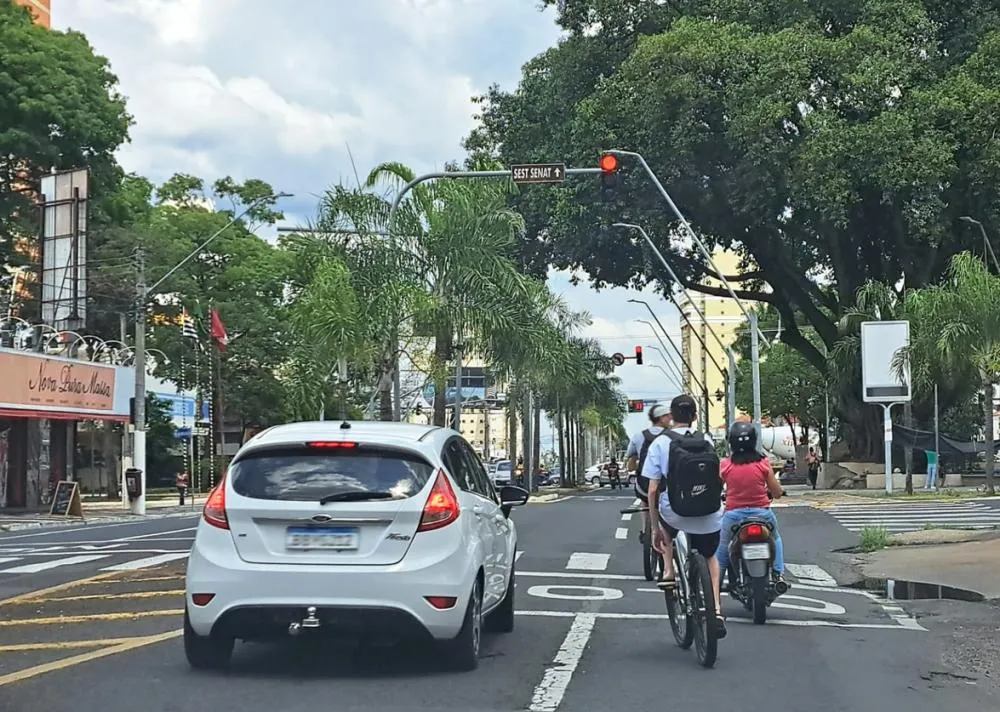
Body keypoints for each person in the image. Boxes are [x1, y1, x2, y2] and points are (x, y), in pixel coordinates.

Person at [642, 394, 726, 638]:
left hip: (676, 512)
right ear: (695, 416)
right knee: (710, 557)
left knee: (666, 528)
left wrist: (655, 526)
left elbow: (653, 489)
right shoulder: (707, 439)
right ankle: (717, 610)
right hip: (709, 513)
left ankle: (669, 570)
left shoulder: (660, 443)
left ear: (672, 417)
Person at [715, 421, 786, 587]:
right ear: (754, 440)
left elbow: (715, 489)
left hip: (733, 516)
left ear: (731, 442)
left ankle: (715, 585)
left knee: (723, 546)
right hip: (762, 515)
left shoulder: (725, 465)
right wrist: (776, 493)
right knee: (775, 538)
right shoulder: (763, 463)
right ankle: (778, 574)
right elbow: (776, 492)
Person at [626, 404, 672, 544]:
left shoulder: (638, 436)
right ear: (662, 418)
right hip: (667, 485)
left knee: (644, 501)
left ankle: (644, 530)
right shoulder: (672, 436)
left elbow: (631, 462)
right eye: (668, 415)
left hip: (644, 484)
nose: (670, 418)